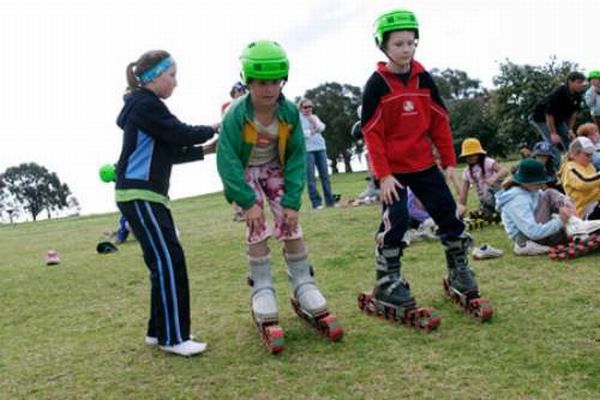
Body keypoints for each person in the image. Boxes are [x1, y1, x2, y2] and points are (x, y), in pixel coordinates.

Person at [356, 9, 493, 329]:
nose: (406, 49)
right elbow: (371, 133)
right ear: (383, 46)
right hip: (393, 170)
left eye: (411, 42)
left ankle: (459, 272)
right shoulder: (376, 84)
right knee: (397, 220)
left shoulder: (423, 79)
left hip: (422, 163)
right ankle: (387, 283)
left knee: (448, 213)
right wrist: (383, 175)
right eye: (399, 43)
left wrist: (448, 163)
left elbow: (439, 124)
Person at [216, 40, 343, 353]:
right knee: (257, 224)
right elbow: (227, 158)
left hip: (275, 169)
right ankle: (262, 288)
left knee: (289, 223)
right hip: (245, 172)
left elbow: (298, 156)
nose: (269, 88)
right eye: (261, 82)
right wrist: (246, 201)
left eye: (275, 81)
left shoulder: (288, 112)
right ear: (248, 80)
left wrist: (291, 202)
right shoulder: (236, 114)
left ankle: (304, 283)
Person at [114, 50, 218, 357]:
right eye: (171, 75)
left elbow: (169, 150)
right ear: (153, 77)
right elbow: (180, 133)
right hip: (139, 194)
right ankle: (174, 338)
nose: (176, 82)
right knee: (170, 262)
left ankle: (157, 331)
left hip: (145, 196)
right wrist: (216, 126)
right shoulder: (146, 105)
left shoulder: (145, 108)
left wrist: (206, 150)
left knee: (163, 262)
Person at [495, 159, 575, 255]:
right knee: (549, 193)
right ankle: (524, 246)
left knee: (550, 193)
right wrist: (560, 221)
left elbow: (549, 198)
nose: (541, 185)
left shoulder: (532, 190)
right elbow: (533, 232)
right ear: (526, 181)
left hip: (539, 232)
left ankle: (576, 225)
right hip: (528, 237)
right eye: (538, 182)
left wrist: (564, 204)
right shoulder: (517, 200)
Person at [530, 72, 587, 165]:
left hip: (558, 118)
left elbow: (573, 114)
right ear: (570, 82)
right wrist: (553, 133)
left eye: (582, 82)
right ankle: (557, 169)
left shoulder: (578, 95)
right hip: (542, 118)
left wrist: (569, 130)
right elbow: (549, 114)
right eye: (579, 82)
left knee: (569, 140)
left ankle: (575, 163)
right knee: (553, 144)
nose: (581, 85)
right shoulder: (559, 93)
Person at [297, 98, 336, 209]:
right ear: (300, 108)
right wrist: (314, 130)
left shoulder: (314, 117)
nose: (308, 109)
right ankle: (316, 202)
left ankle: (330, 201)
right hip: (308, 150)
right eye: (305, 107)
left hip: (320, 147)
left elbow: (322, 127)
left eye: (310, 106)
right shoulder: (298, 119)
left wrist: (314, 124)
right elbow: (303, 134)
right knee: (311, 177)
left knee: (325, 176)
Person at [457, 138, 508, 219]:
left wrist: (494, 178)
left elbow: (504, 171)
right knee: (484, 215)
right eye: (467, 156)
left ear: (479, 154)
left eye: (472, 155)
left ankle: (502, 208)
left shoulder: (487, 162)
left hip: (496, 194)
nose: (469, 157)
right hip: (484, 200)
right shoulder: (466, 171)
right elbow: (463, 193)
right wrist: (461, 207)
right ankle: (489, 211)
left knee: (497, 183)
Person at [221, 81, 249, 222]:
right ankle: (238, 210)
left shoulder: (249, 105)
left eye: (243, 89)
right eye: (238, 90)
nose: (242, 92)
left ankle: (246, 208)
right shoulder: (227, 107)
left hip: (246, 147)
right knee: (233, 178)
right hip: (232, 147)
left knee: (246, 178)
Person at [559, 137, 600, 219]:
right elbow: (584, 182)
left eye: (591, 154)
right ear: (574, 154)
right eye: (587, 155)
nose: (590, 158)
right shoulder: (569, 167)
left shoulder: (589, 166)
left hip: (595, 204)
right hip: (584, 211)